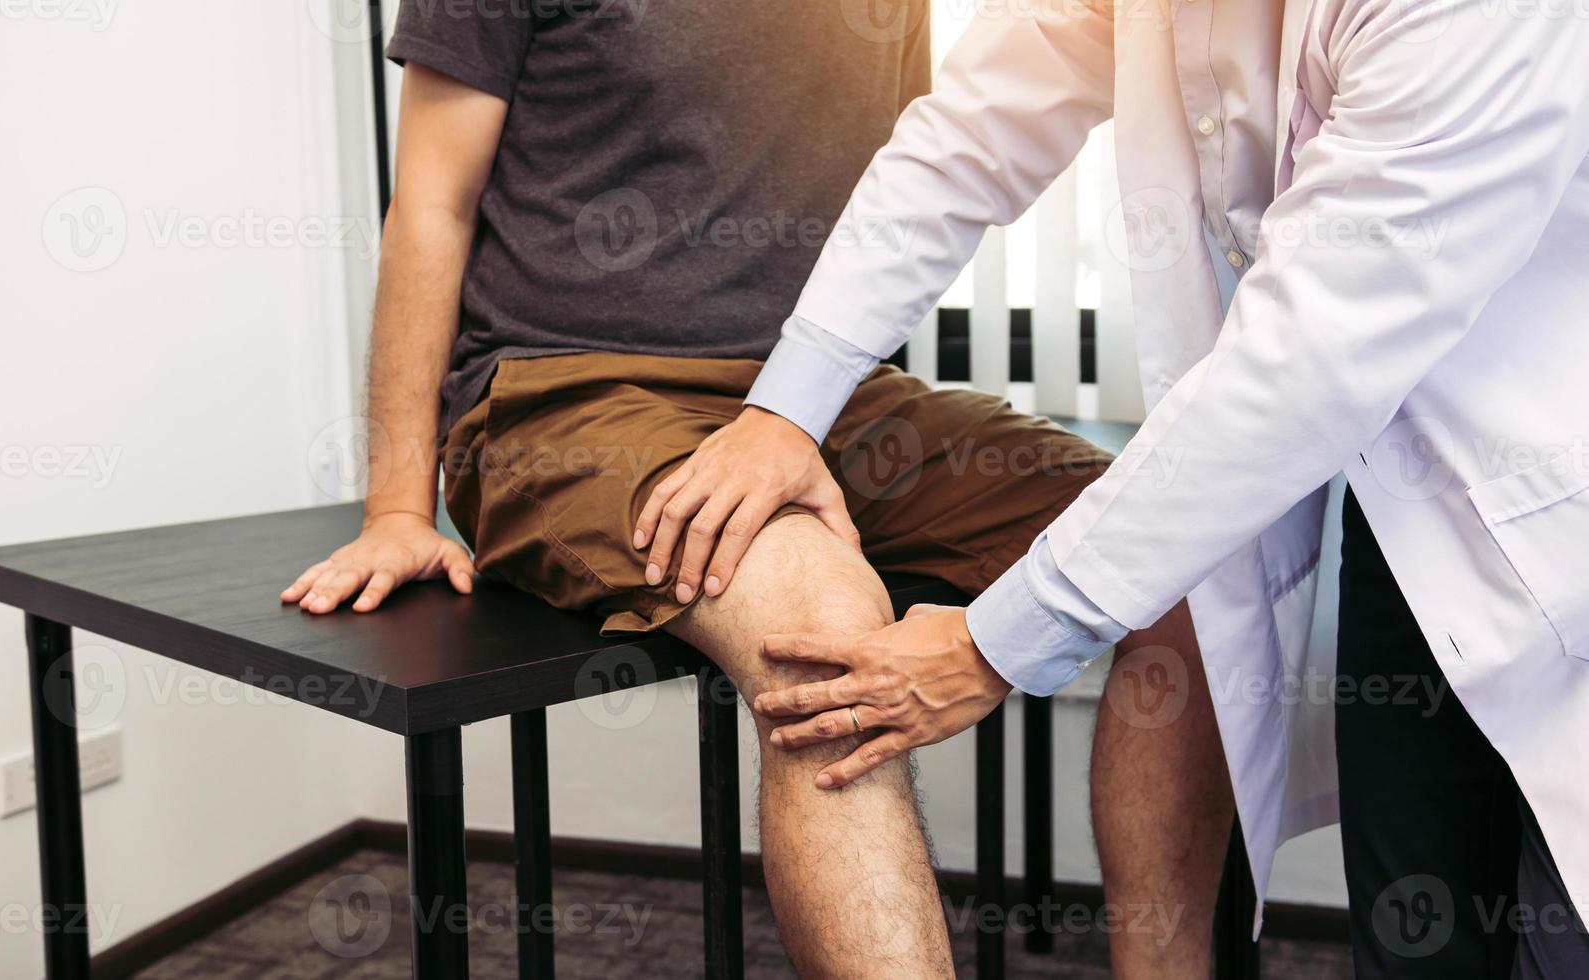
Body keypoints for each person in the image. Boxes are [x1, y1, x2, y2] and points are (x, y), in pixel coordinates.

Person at [279, 0, 1234, 974]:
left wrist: (796, 411)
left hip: (819, 398)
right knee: (818, 617)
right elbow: (432, 202)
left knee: (1183, 551)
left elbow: (908, 192)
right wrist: (398, 506)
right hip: (567, 393)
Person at [685, 0, 1589, 975]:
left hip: (1555, 493)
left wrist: (995, 643)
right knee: (1421, 925)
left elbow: (1305, 358)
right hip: (1403, 513)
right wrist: (786, 409)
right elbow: (972, 131)